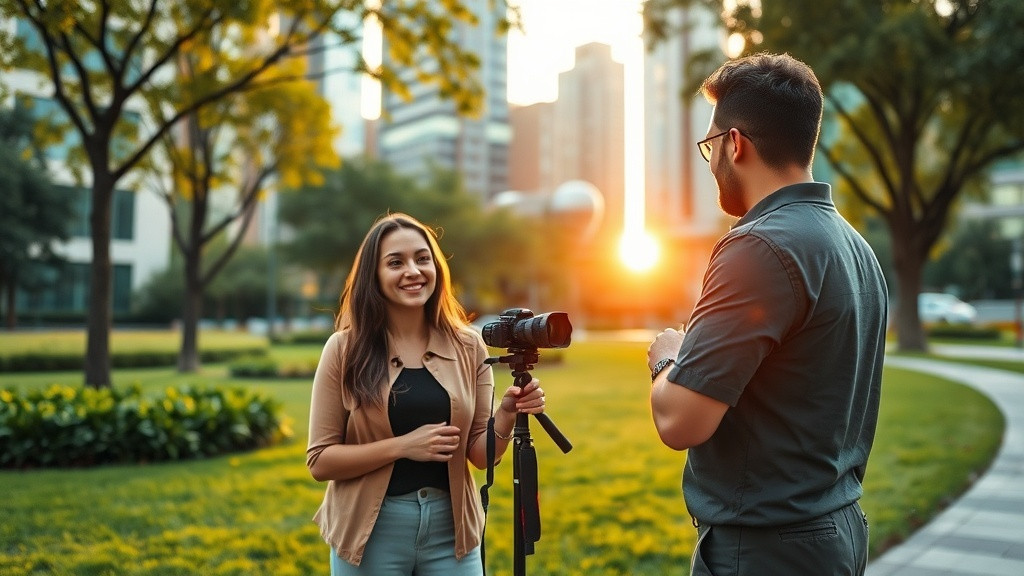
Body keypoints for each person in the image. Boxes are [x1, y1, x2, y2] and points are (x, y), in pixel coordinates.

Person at [646, 53, 888, 576]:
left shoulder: (758, 246)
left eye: (710, 146)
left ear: (735, 144)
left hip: (766, 550)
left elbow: (679, 421)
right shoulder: (855, 247)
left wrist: (667, 358)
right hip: (837, 530)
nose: (710, 162)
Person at [307, 213, 546, 575]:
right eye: (395, 262)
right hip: (371, 533)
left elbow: (480, 457)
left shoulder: (469, 346)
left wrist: (507, 414)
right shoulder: (344, 349)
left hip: (452, 533)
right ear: (374, 275)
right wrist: (404, 446)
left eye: (422, 259)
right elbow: (320, 461)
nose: (413, 271)